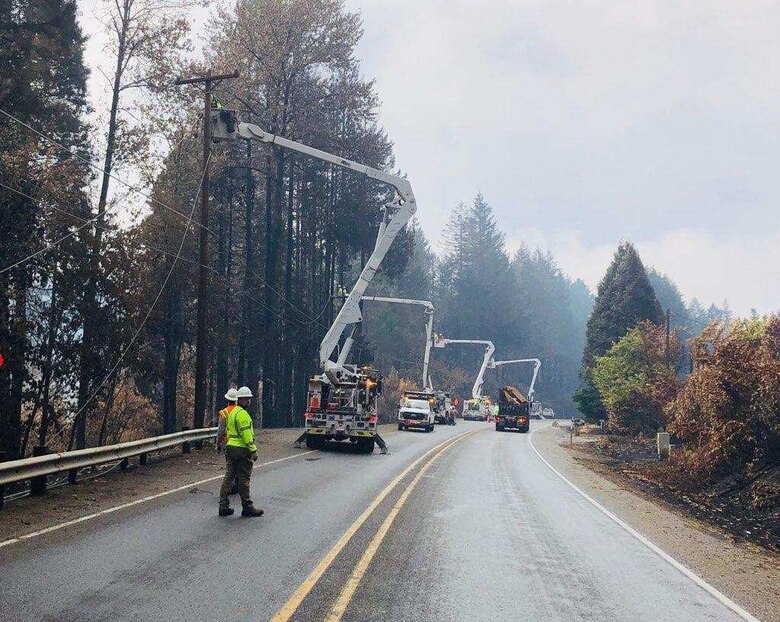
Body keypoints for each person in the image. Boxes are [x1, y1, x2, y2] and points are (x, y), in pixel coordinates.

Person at [218, 386, 263, 517]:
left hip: (231, 448)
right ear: (241, 399)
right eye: (247, 399)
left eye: (249, 399)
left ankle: (223, 505)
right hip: (242, 450)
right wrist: (253, 450)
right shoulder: (243, 414)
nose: (249, 401)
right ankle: (247, 507)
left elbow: (226, 430)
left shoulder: (232, 413)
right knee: (244, 479)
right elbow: (246, 435)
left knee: (229, 476)